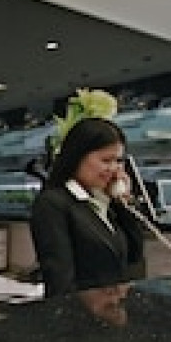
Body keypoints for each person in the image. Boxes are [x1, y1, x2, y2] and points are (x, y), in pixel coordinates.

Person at [30, 117, 143, 297]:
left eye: (118, 161)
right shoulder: (53, 204)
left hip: (114, 306)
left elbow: (135, 257)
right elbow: (61, 283)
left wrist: (123, 203)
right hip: (82, 310)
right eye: (106, 160)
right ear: (78, 157)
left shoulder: (104, 203)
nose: (114, 169)